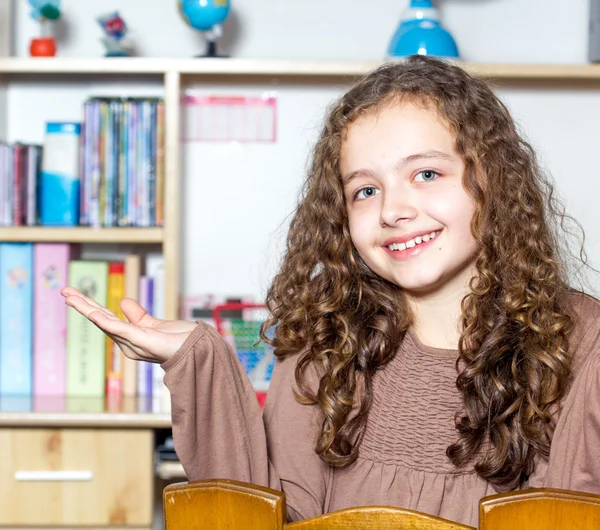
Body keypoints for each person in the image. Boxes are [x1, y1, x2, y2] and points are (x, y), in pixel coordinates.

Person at [61, 55, 600, 527]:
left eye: (427, 174)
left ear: (495, 178)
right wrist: (199, 361)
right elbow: (260, 518)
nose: (392, 210)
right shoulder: (326, 344)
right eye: (365, 190)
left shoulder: (584, 348)